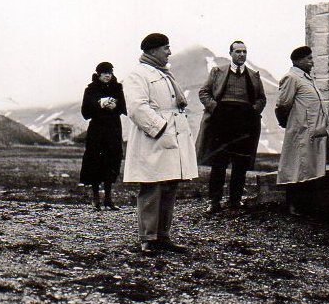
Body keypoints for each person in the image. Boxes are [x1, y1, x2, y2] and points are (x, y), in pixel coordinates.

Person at [123, 33, 198, 255]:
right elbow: (137, 107)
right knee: (152, 186)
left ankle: (163, 236)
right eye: (166, 47)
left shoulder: (164, 74)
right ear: (153, 50)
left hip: (171, 136)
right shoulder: (138, 75)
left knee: (169, 185)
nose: (169, 52)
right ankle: (147, 238)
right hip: (153, 138)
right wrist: (160, 128)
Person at [195, 40, 267, 215]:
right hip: (222, 122)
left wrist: (253, 112)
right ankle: (214, 201)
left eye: (244, 52)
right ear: (231, 54)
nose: (241, 55)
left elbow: (261, 99)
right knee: (219, 163)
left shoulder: (253, 75)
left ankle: (235, 200)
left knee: (240, 163)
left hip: (244, 123)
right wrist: (215, 108)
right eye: (238, 52)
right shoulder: (217, 72)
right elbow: (204, 92)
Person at [276, 46, 329, 215]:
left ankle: (306, 205)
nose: (312, 62)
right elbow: (283, 104)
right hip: (300, 131)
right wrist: (290, 124)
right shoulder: (291, 78)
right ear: (298, 60)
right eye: (309, 59)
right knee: (296, 166)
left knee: (309, 167)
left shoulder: (307, 79)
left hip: (312, 131)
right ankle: (293, 205)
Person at [79, 61, 127, 210]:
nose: (108, 76)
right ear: (98, 74)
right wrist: (99, 104)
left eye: (110, 73)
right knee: (95, 161)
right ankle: (95, 199)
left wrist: (115, 106)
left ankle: (108, 198)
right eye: (105, 73)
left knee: (111, 161)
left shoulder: (117, 88)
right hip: (97, 130)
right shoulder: (91, 89)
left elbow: (124, 107)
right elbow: (85, 112)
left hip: (113, 130)